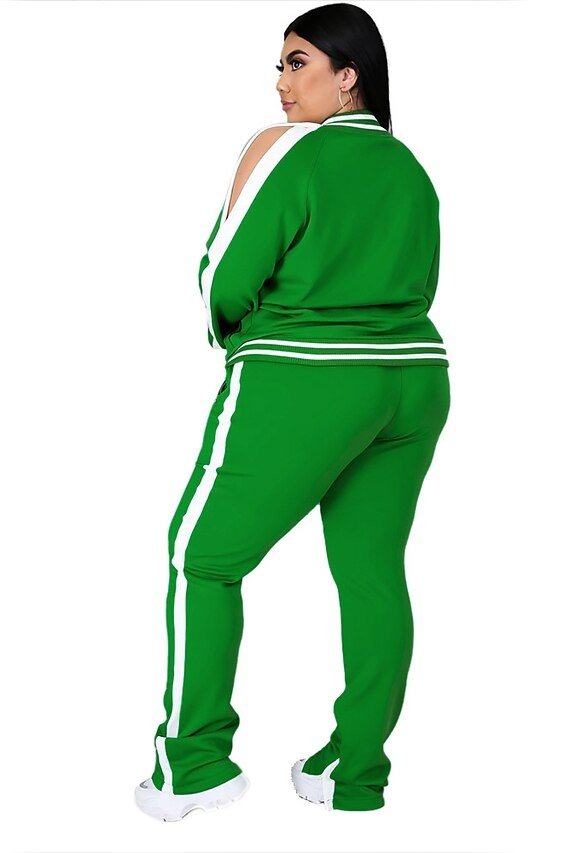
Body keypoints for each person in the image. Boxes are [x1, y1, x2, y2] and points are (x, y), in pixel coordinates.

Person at [135, 2, 451, 821]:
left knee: (200, 557)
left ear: (349, 76)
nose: (282, 82)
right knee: (372, 572)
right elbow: (418, 283)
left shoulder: (291, 150)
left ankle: (191, 765)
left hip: (307, 380)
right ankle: (356, 770)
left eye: (299, 62)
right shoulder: (411, 168)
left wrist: (240, 340)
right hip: (414, 381)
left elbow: (223, 277)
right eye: (279, 65)